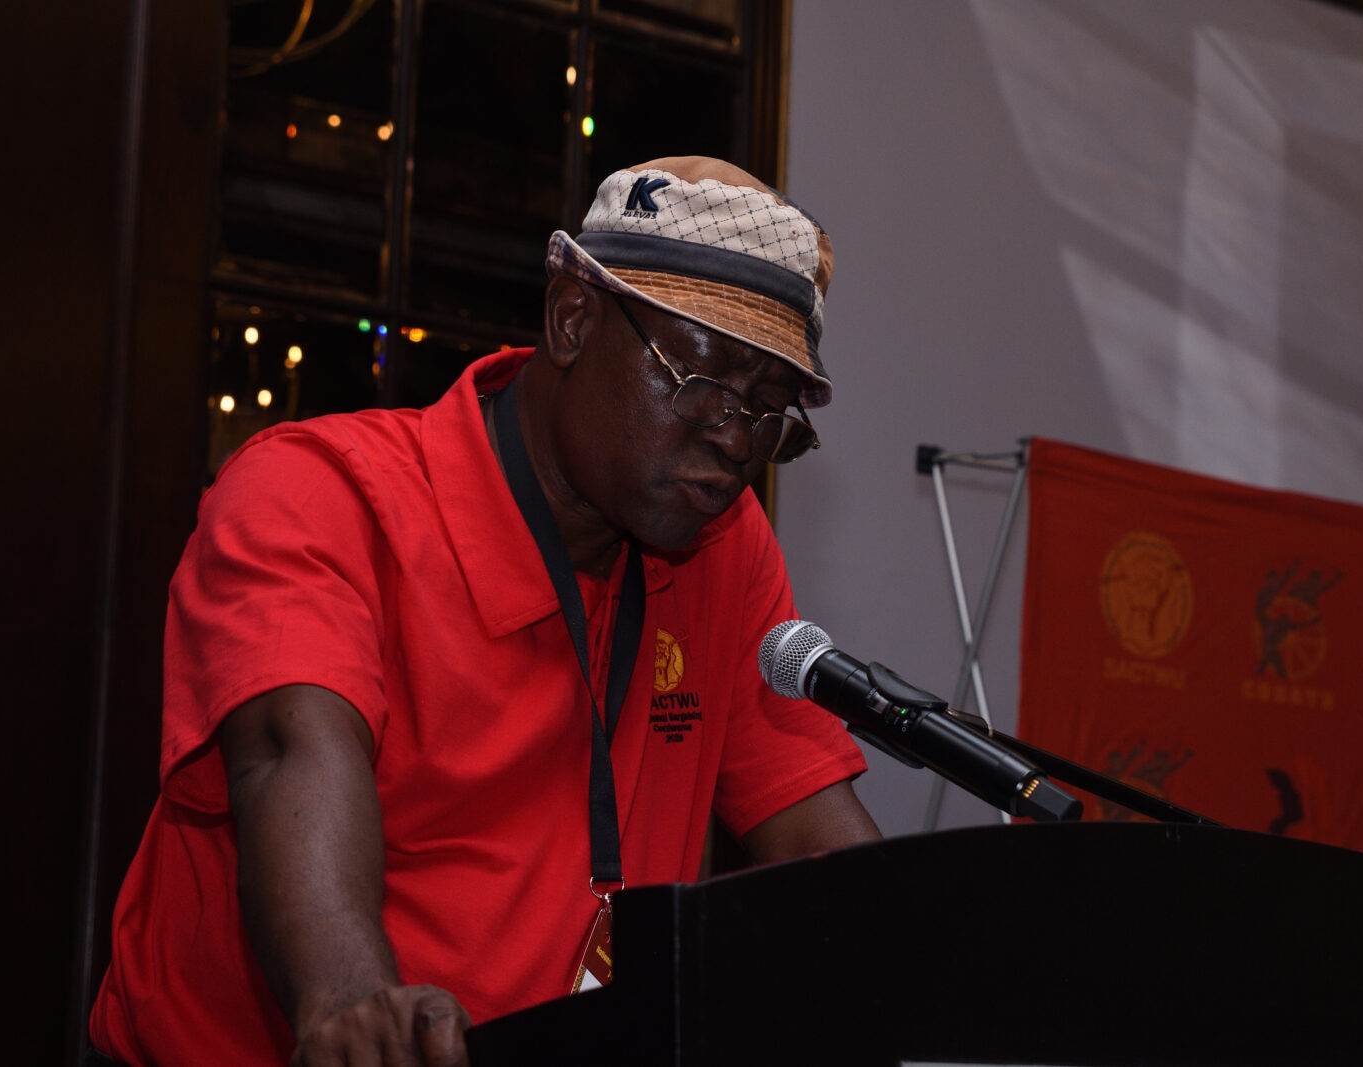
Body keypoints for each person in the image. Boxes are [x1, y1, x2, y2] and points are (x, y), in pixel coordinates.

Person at [88, 156, 881, 1067]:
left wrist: (935, 980)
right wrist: (351, 1000)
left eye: (769, 413)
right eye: (702, 382)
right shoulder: (320, 496)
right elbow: (286, 754)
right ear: (573, 317)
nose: (737, 441)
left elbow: (817, 838)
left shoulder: (722, 545)